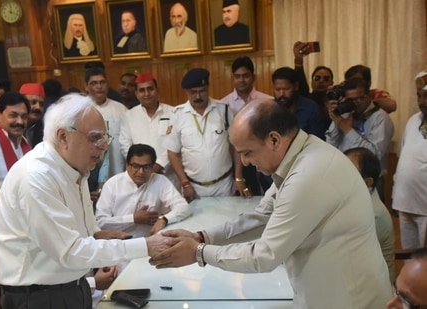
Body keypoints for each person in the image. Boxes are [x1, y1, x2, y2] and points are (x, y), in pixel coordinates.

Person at [151, 99, 393, 308]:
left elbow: (264, 256)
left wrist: (199, 253)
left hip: (350, 299)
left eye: (248, 152)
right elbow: (260, 218)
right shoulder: (299, 158)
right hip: (323, 292)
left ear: (274, 139)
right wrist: (202, 237)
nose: (244, 162)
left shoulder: (309, 174)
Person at [0, 94, 170, 309]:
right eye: (95, 138)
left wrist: (95, 232)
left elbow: (78, 224)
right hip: (39, 296)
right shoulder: (36, 177)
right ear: (63, 136)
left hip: (71, 286)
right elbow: (71, 252)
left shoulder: (75, 167)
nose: (103, 146)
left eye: (105, 137)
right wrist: (146, 246)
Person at [166, 68, 249, 202]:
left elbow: (236, 146)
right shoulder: (177, 115)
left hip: (224, 185)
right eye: (193, 92)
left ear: (208, 88)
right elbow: (172, 154)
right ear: (186, 92)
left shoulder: (223, 109)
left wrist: (239, 178)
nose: (198, 96)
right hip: (193, 187)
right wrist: (184, 183)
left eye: (202, 91)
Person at [96, 144, 191, 237]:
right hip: (119, 243)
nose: (141, 172)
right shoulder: (112, 184)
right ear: (127, 165)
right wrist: (133, 218)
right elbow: (101, 222)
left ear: (153, 166)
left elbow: (184, 207)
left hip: (152, 242)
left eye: (146, 167)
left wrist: (164, 219)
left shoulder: (160, 181)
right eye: (136, 166)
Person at [326, 77, 394, 183]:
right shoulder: (346, 112)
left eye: (359, 98)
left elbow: (374, 156)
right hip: (343, 176)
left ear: (368, 96)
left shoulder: (380, 118)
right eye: (350, 100)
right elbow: (330, 145)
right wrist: (336, 120)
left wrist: (348, 130)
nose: (355, 103)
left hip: (368, 180)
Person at [222, 56, 273, 195]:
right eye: (237, 76)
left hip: (263, 160)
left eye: (245, 76)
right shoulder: (224, 105)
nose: (241, 80)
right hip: (236, 161)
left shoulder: (267, 102)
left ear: (253, 77)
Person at [344, 147, 395, 282]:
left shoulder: (373, 214)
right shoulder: (359, 196)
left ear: (368, 182)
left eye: (348, 173)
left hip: (376, 288)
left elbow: (346, 254)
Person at [119, 72, 176, 184]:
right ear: (136, 93)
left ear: (157, 90)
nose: (147, 94)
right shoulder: (129, 116)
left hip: (168, 176)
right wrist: (139, 165)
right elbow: (124, 144)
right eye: (142, 90)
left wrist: (158, 165)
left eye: (150, 89)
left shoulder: (173, 113)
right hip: (140, 177)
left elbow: (174, 143)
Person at [392, 71, 427, 250]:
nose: (421, 102)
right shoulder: (413, 121)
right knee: (409, 261)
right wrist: (395, 194)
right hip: (405, 203)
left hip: (425, 208)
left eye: (426, 96)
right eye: (419, 96)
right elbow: (402, 158)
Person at [84, 67, 127, 203]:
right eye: (94, 83)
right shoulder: (81, 109)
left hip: (118, 170)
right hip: (90, 176)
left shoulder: (121, 109)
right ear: (86, 86)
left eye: (102, 82)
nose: (99, 87)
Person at [272, 67, 325, 139]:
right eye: (278, 89)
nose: (281, 94)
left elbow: (317, 141)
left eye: (286, 89)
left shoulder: (311, 109)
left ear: (296, 86)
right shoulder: (269, 110)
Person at [293, 41, 334, 131]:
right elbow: (301, 84)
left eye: (326, 78)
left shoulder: (337, 101)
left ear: (332, 83)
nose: (321, 81)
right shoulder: (307, 101)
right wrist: (298, 60)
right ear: (311, 82)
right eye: (317, 78)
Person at [20, 83, 45, 148]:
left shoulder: (45, 128)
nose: (38, 107)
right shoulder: (11, 125)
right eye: (33, 102)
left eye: (41, 104)